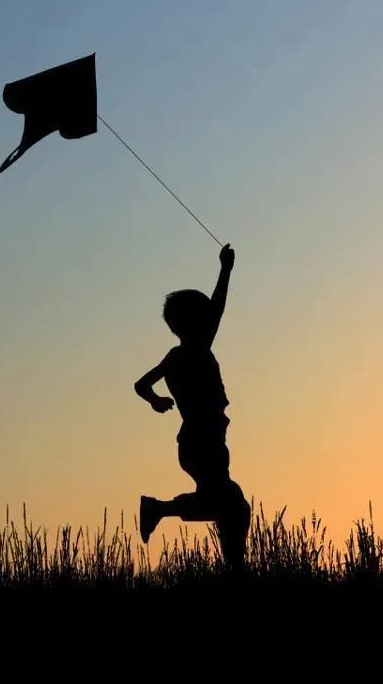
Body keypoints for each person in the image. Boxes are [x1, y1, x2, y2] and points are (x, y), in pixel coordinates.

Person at [133, 243, 251, 571]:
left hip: (200, 440)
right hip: (202, 440)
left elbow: (141, 385)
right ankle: (158, 510)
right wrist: (225, 269)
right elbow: (218, 308)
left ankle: (234, 567)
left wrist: (155, 400)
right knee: (230, 505)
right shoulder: (193, 351)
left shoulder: (179, 356)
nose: (211, 320)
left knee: (230, 504)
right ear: (195, 323)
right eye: (205, 317)